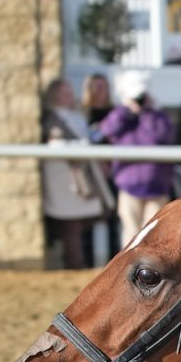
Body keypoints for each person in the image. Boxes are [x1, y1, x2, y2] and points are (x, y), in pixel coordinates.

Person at [40, 78, 114, 269]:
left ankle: (83, 262)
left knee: (93, 216)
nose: (68, 96)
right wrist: (83, 147)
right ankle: (75, 265)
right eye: (63, 93)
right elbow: (55, 142)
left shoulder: (75, 114)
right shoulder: (53, 117)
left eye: (69, 92)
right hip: (65, 178)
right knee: (70, 226)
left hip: (83, 173)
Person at [99, 71, 176, 248]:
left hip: (157, 184)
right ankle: (129, 270)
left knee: (155, 232)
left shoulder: (158, 117)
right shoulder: (119, 115)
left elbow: (162, 136)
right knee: (131, 232)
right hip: (128, 184)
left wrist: (147, 112)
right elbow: (108, 130)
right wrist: (127, 110)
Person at [80, 72, 121, 262]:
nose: (101, 91)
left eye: (103, 86)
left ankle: (113, 260)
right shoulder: (83, 113)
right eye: (96, 86)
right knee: (90, 216)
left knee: (113, 217)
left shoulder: (115, 112)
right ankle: (88, 259)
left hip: (113, 172)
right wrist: (98, 164)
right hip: (90, 173)